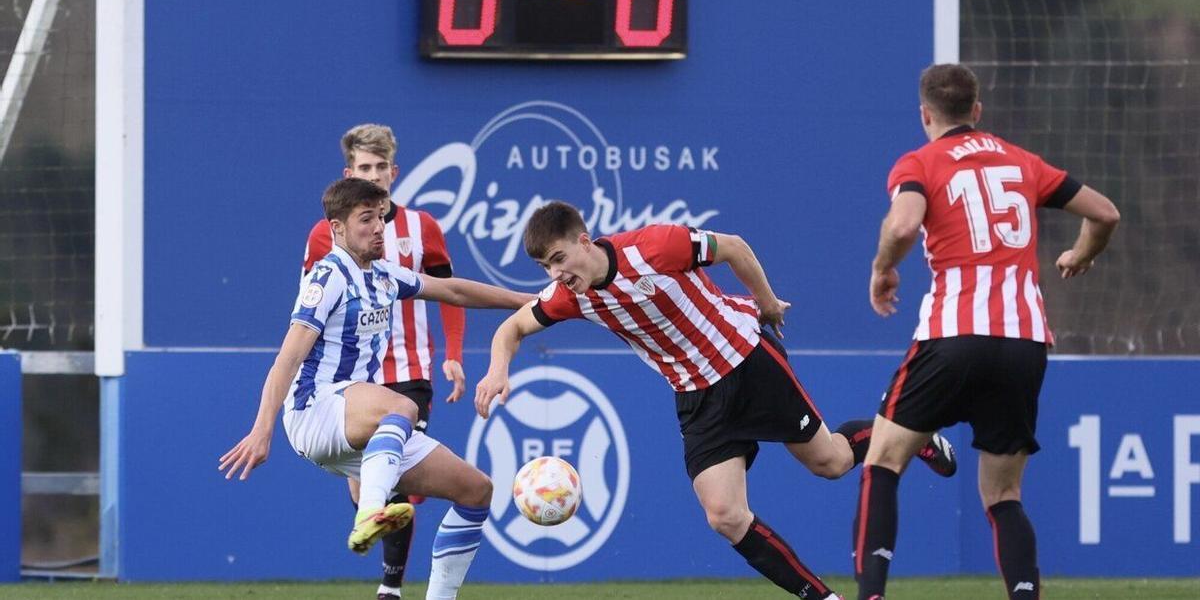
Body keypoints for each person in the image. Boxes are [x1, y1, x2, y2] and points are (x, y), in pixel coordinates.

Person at [473, 202, 957, 600]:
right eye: (546, 268)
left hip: (745, 359)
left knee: (830, 462)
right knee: (724, 516)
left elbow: (734, 248)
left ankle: (913, 436)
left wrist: (765, 303)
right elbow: (512, 327)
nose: (557, 274)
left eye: (559, 259)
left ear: (584, 241)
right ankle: (823, 598)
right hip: (696, 397)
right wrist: (498, 368)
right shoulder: (570, 296)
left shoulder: (654, 246)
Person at [853, 64, 1120, 600]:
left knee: (882, 460)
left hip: (954, 332)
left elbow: (904, 224)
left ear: (926, 114)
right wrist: (1080, 255)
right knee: (1003, 494)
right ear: (977, 111)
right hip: (1024, 340)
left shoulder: (920, 162)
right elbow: (1106, 214)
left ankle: (871, 596)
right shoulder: (1023, 162)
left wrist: (884, 268)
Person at [220, 178, 534, 600]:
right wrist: (262, 429)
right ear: (337, 229)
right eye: (365, 219)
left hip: (357, 427)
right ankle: (370, 512)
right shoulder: (327, 277)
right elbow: (287, 359)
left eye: (381, 218)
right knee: (401, 406)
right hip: (315, 410)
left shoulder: (385, 275)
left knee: (476, 490)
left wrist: (532, 301)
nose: (377, 228)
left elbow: (454, 290)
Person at [302, 124, 467, 600]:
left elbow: (451, 292)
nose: (373, 176)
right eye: (364, 168)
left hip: (410, 370)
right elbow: (308, 307)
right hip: (351, 377)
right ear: (349, 172)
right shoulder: (325, 235)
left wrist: (453, 354)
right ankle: (374, 514)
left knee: (398, 482)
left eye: (380, 168)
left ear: (394, 172)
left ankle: (389, 587)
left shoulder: (422, 228)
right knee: (375, 486)